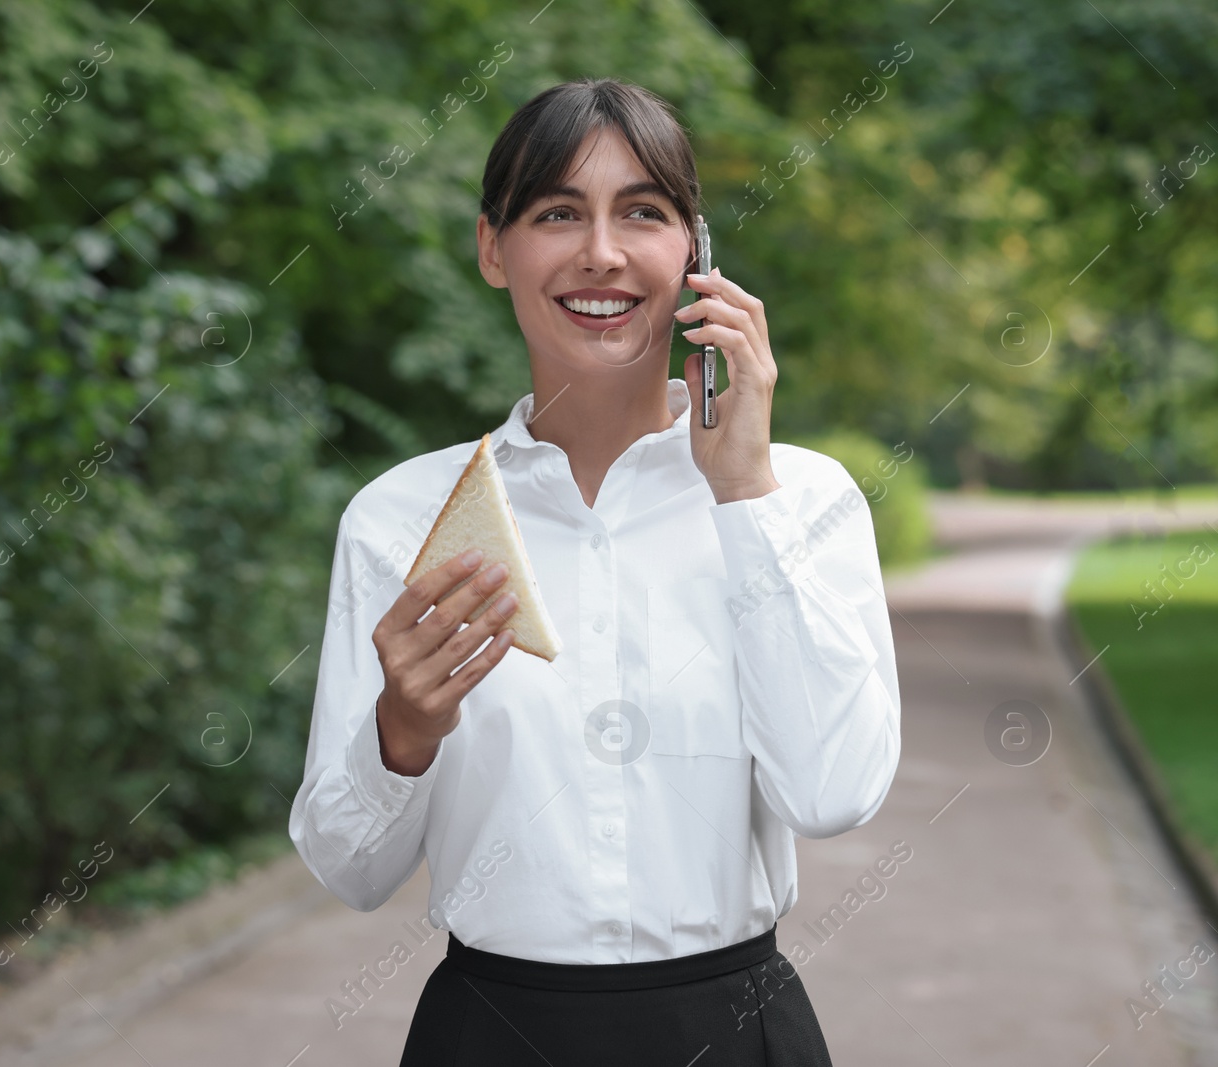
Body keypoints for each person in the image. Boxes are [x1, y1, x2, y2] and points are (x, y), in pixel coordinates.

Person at [289, 77, 901, 1065]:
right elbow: (349, 868)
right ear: (494, 249)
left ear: (694, 254)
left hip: (735, 1031)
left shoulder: (802, 499)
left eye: (643, 213)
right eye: (557, 213)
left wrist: (743, 491)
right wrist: (401, 731)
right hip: (489, 1032)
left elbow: (832, 795)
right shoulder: (403, 520)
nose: (602, 253)